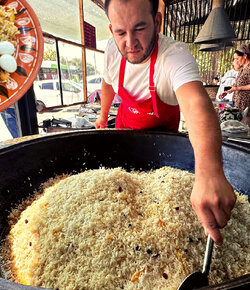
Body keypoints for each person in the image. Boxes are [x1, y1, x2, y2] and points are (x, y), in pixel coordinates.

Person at [96, 0, 236, 244]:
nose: (129, 43)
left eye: (139, 28)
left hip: (163, 155)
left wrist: (209, 172)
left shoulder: (174, 56)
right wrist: (102, 115)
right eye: (120, 32)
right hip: (124, 138)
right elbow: (108, 83)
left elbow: (196, 105)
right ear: (112, 31)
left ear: (157, 22)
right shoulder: (111, 50)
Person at [225, 44, 250, 117]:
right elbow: (238, 84)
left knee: (245, 124)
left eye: (237, 58)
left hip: (246, 103)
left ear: (244, 56)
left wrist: (237, 88)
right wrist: (230, 90)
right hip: (238, 102)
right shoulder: (242, 68)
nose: (236, 61)